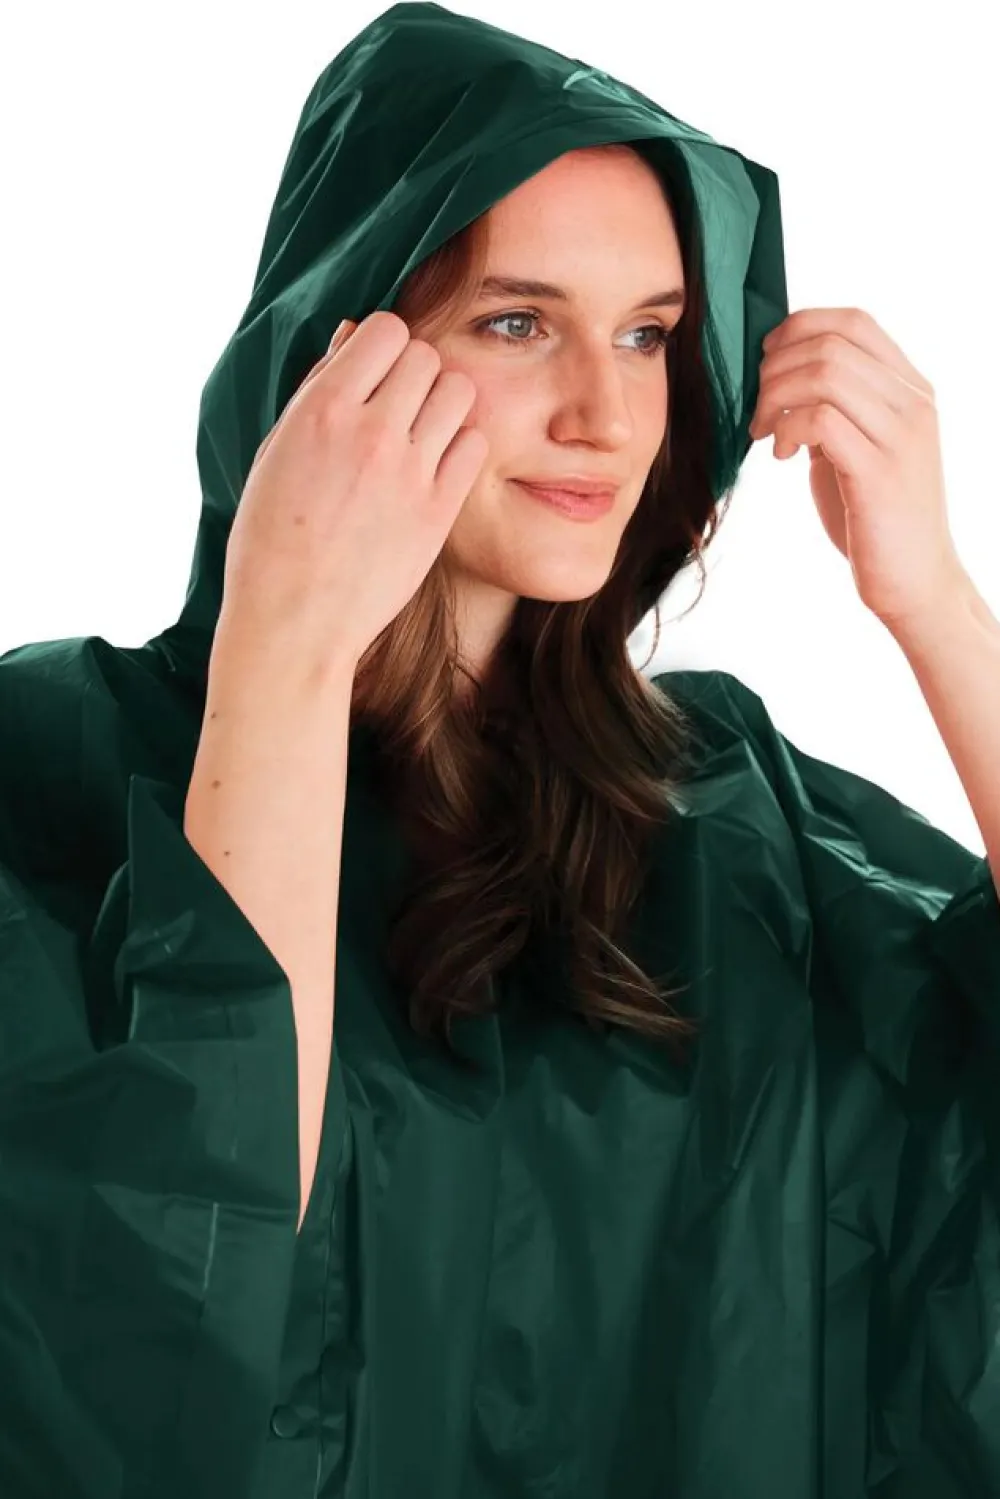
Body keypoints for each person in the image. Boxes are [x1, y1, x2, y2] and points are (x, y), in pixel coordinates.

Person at [1, 3, 999, 1496]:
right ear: (338, 351)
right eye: (519, 323)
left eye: (650, 334)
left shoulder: (728, 814)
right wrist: (284, 645)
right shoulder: (57, 770)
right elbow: (164, 1301)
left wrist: (938, 605)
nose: (607, 414)